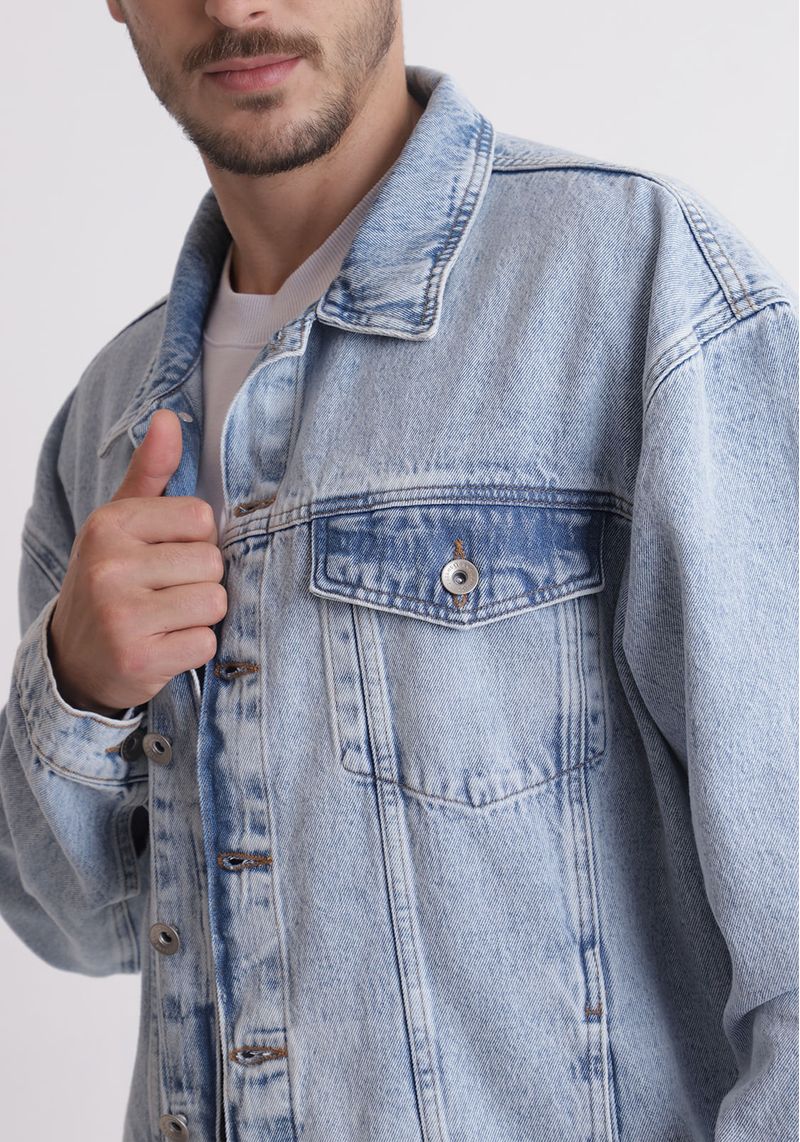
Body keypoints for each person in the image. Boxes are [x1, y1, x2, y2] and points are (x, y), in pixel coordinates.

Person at [1, 0, 797, 1139]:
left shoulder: (638, 289)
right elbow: (82, 931)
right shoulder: (105, 420)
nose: (234, 7)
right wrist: (77, 691)